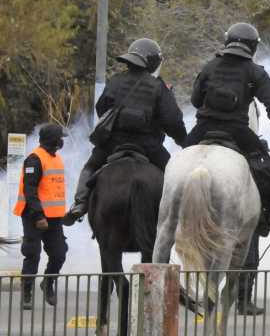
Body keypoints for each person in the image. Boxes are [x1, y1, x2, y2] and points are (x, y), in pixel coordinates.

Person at [64, 38, 187, 225]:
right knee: (172, 173)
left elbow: (101, 108)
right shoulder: (158, 87)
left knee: (90, 166)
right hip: (148, 147)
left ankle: (80, 204)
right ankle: (181, 213)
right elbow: (172, 120)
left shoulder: (115, 81)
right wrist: (183, 141)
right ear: (153, 62)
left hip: (113, 144)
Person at [183, 23, 270, 234]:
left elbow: (195, 101)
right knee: (268, 174)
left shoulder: (210, 66)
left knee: (174, 164)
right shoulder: (256, 72)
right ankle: (265, 218)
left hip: (203, 128)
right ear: (253, 47)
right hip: (238, 131)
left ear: (227, 41)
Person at [13, 124, 70, 310]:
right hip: (33, 216)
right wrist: (38, 216)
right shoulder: (34, 159)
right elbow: (30, 191)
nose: (62, 141)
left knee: (59, 253)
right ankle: (27, 292)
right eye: (59, 138)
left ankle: (48, 283)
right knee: (32, 253)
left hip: (53, 218)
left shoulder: (57, 159)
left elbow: (53, 191)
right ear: (53, 140)